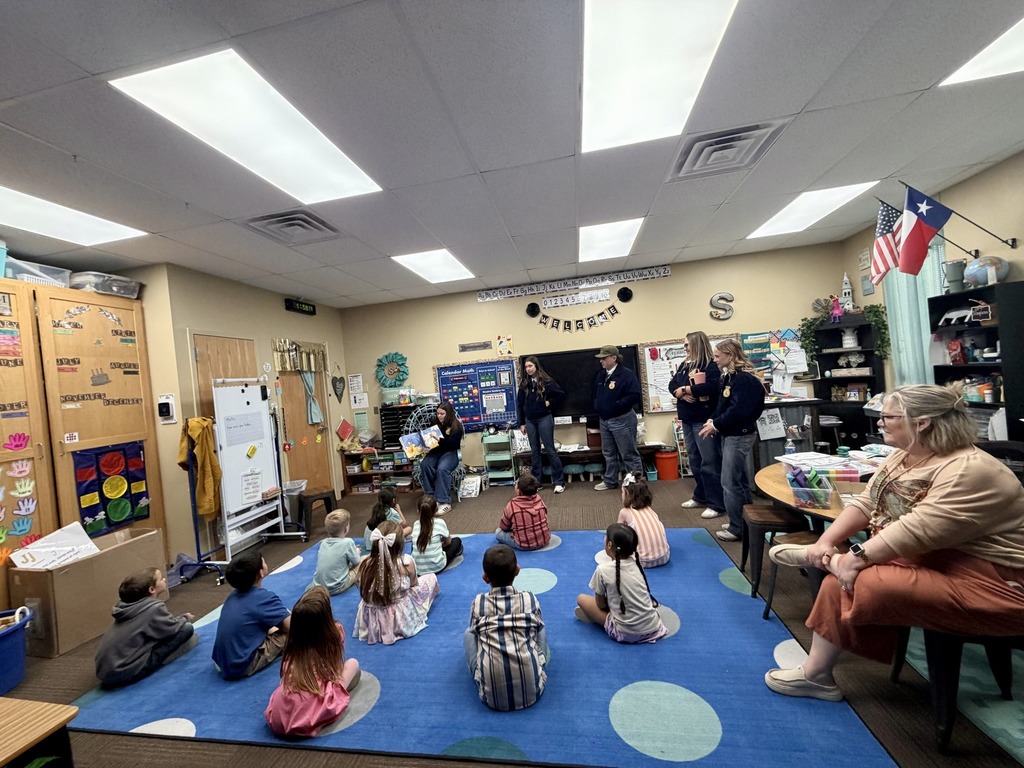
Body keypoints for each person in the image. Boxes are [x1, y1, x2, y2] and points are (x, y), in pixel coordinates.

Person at [764, 383, 1024, 702]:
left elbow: (916, 530)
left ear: (922, 422)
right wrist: (826, 541)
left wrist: (852, 559)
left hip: (994, 582)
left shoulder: (969, 469)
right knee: (846, 578)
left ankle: (830, 571)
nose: (880, 422)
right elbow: (868, 502)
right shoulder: (906, 456)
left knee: (861, 582)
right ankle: (817, 669)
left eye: (888, 416)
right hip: (936, 558)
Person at [264, 586, 361, 738]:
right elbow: (334, 669)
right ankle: (325, 702)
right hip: (312, 708)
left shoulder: (292, 641)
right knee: (353, 664)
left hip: (280, 715)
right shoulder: (335, 633)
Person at [465, 545, 549, 711]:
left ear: (485, 578)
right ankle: (534, 665)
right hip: (533, 691)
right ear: (517, 570)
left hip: (491, 699)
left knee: (468, 633)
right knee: (541, 627)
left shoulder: (478, 603)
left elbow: (474, 632)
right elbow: (537, 627)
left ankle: (487, 672)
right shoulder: (529, 599)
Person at [698, 338, 765, 542]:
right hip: (729, 434)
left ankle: (738, 528)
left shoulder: (744, 380)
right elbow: (723, 406)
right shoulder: (729, 377)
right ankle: (743, 522)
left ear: (731, 355)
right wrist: (713, 420)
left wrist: (716, 424)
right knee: (739, 481)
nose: (715, 360)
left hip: (740, 435)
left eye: (718, 356)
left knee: (729, 482)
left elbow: (739, 410)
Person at [94, 567, 197, 687]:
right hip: (124, 673)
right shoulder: (154, 608)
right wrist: (185, 617)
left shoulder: (125, 607)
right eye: (161, 579)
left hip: (104, 672)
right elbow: (172, 628)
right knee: (186, 629)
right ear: (152, 589)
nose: (164, 579)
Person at [576, 523, 667, 644]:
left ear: (609, 545)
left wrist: (612, 606)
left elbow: (601, 604)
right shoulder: (637, 563)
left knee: (581, 599)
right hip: (654, 627)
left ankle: (602, 618)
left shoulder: (602, 570)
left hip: (626, 633)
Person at [355, 521, 440, 645]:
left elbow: (361, 586)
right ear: (400, 544)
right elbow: (414, 584)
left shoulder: (364, 563)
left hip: (372, 611)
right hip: (398, 614)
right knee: (431, 578)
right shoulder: (406, 563)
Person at [669, 331, 725, 519]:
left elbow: (712, 387)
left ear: (696, 344)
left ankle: (716, 503)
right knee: (694, 460)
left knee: (709, 461)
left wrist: (686, 389)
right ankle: (701, 495)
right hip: (687, 419)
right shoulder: (685, 364)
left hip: (703, 419)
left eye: (687, 344)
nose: (685, 348)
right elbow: (672, 384)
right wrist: (681, 393)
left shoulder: (710, 365)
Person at [212, 549, 291, 679]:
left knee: (271, 624)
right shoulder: (263, 598)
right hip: (242, 665)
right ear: (261, 572)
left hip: (222, 662)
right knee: (293, 634)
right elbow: (294, 627)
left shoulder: (232, 595)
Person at [592, 344, 643, 491]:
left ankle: (636, 484)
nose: (601, 361)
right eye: (600, 358)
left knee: (628, 453)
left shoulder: (626, 375)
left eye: (604, 358)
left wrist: (617, 405)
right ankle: (610, 481)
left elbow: (634, 395)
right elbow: (595, 395)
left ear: (614, 358)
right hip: (604, 420)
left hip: (622, 419)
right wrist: (598, 406)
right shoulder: (601, 375)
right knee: (608, 453)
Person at [517, 356, 567, 493]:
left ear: (536, 366)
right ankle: (536, 483)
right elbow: (519, 404)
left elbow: (561, 395)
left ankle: (559, 482)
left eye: (530, 366)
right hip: (530, 420)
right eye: (526, 367)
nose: (528, 369)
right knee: (535, 452)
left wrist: (550, 402)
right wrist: (521, 423)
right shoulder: (524, 383)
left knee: (550, 450)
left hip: (544, 418)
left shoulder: (547, 381)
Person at [420, 401, 464, 516]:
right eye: (438, 413)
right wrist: (422, 446)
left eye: (442, 414)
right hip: (436, 451)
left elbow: (453, 445)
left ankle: (444, 501)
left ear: (448, 413)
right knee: (425, 465)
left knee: (442, 469)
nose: (439, 416)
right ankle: (430, 497)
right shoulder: (434, 422)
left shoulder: (456, 426)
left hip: (450, 452)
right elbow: (429, 439)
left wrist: (439, 440)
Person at [616, 474, 669, 568]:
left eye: (622, 492)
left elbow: (616, 534)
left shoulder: (624, 512)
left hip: (641, 561)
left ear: (627, 494)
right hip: (664, 557)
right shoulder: (650, 510)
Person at [308, 509, 361, 596]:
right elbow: (357, 562)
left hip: (319, 587)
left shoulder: (323, 542)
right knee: (364, 560)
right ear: (346, 528)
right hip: (337, 587)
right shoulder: (348, 542)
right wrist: (357, 552)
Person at [496, 473, 551, 551]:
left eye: (516, 484)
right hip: (544, 540)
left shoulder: (512, 505)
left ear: (519, 491)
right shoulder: (539, 500)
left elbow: (504, 527)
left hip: (523, 544)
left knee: (498, 532)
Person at [411, 495, 464, 574]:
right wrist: (441, 543)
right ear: (436, 510)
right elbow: (448, 542)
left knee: (416, 544)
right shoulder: (439, 522)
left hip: (417, 568)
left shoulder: (416, 524)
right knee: (457, 541)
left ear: (418, 511)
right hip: (437, 567)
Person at [362, 488, 412, 552]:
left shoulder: (376, 509)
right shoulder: (392, 512)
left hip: (370, 544)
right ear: (393, 500)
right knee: (409, 529)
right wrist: (399, 510)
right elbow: (404, 524)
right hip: (384, 543)